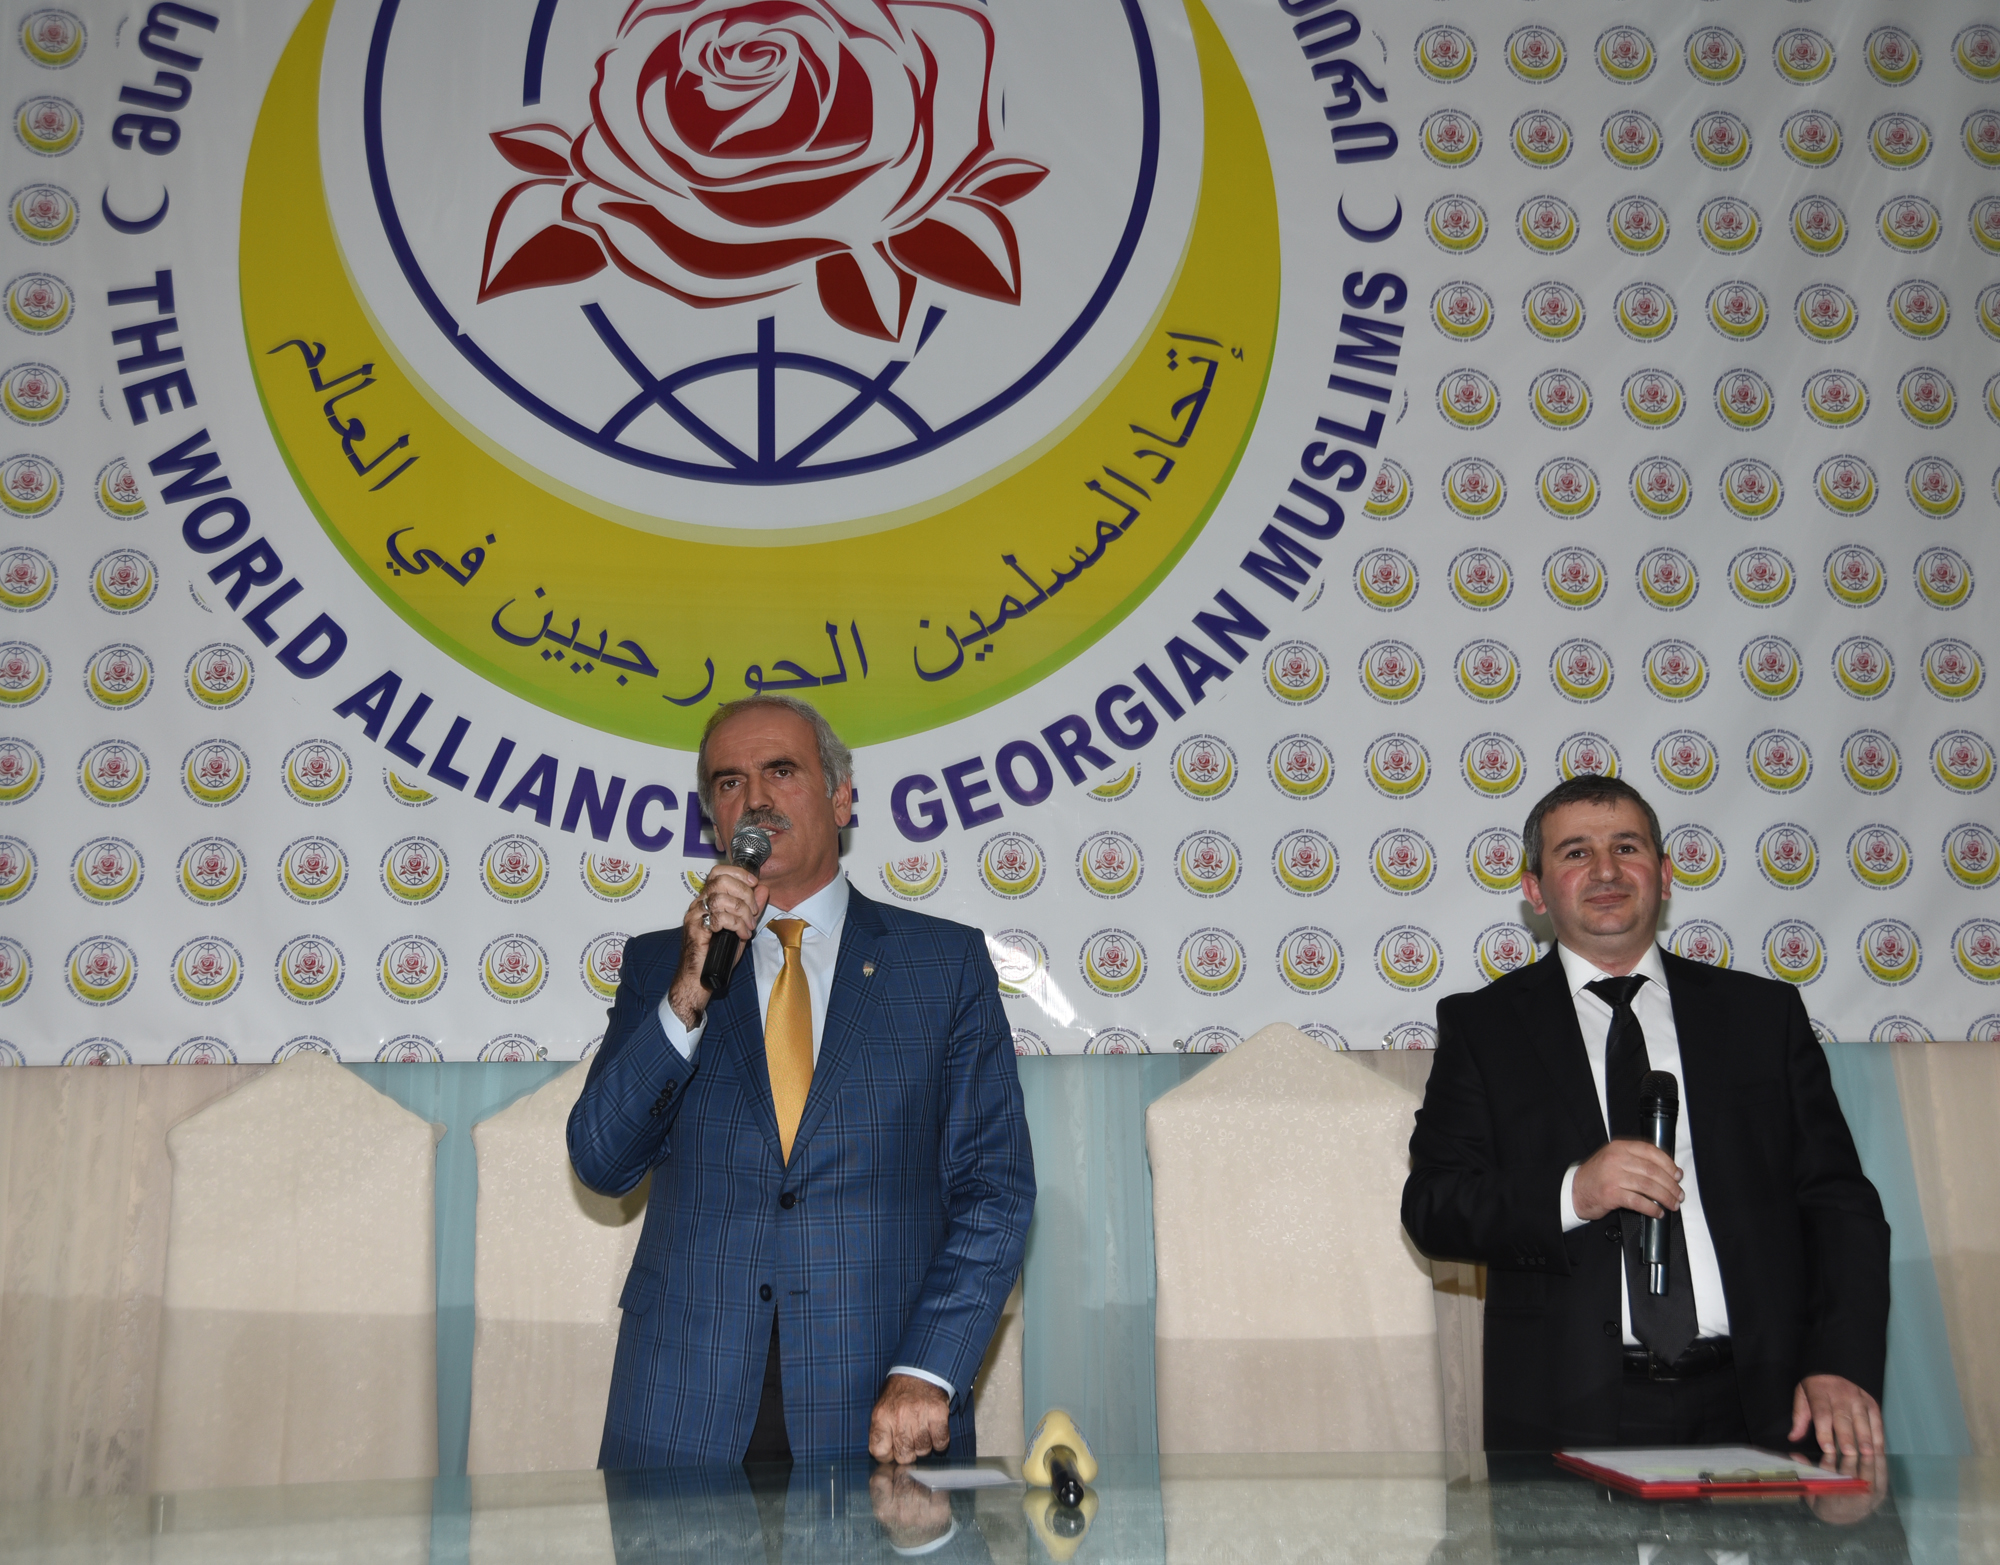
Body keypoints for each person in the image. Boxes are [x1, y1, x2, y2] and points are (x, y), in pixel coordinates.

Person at [569, 695, 1034, 1467]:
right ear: (713, 820)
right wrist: (689, 991)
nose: (755, 798)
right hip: (683, 1403)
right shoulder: (662, 966)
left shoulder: (942, 966)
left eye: (781, 771)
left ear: (841, 798)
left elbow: (994, 1189)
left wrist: (929, 1368)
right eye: (729, 782)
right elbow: (601, 1160)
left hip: (881, 1399)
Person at [1401, 776, 1890, 1456]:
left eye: (1626, 847)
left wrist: (1839, 1361)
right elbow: (1434, 1206)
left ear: (1663, 874)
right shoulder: (1485, 1028)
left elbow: (1839, 1205)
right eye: (1576, 852)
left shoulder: (1760, 1015)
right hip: (1569, 1408)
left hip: (1765, 1403)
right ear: (1536, 890)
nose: (1605, 870)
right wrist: (1575, 1191)